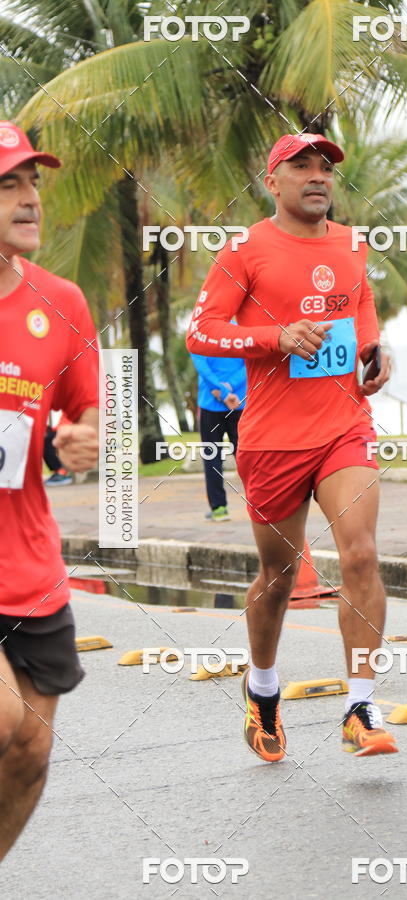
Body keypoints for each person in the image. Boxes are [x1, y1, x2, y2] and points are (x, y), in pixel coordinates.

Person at [187, 133, 397, 760]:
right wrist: (274, 337)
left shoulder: (352, 244)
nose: (317, 176)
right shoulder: (245, 249)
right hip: (272, 440)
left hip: (344, 426)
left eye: (325, 167)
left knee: (361, 553)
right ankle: (262, 687)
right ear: (272, 182)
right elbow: (201, 332)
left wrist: (373, 354)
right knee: (278, 577)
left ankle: (361, 704)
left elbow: (361, 308)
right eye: (300, 166)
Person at [0, 121, 99, 859]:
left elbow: (88, 411)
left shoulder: (61, 302)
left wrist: (84, 440)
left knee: (29, 754)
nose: (31, 199)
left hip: (29, 566)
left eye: (33, 182)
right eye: (9, 185)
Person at [190, 351, 246, 521]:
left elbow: (202, 367)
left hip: (211, 402)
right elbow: (249, 363)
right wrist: (229, 387)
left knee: (212, 457)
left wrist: (221, 391)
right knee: (246, 455)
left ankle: (219, 509)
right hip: (238, 401)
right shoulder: (241, 334)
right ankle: (262, 505)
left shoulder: (199, 335)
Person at [44, 413, 73, 486]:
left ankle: (61, 472)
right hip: (60, 429)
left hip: (69, 429)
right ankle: (58, 472)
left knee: (47, 440)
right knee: (43, 439)